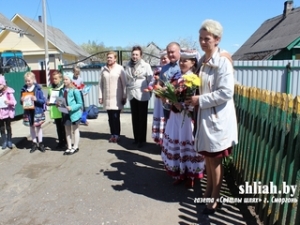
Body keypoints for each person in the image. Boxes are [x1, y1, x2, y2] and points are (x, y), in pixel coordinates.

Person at [187, 19, 238, 214]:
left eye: (206, 39)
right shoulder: (203, 61)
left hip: (217, 119)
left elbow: (226, 92)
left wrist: (200, 100)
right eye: (200, 38)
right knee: (208, 159)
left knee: (215, 160)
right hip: (204, 117)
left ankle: (215, 199)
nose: (202, 42)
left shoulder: (222, 61)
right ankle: (208, 192)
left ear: (217, 39)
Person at [161, 50, 205, 188]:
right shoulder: (177, 77)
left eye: (185, 61)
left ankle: (191, 175)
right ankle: (180, 173)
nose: (181, 63)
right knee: (178, 144)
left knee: (188, 145)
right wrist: (168, 99)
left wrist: (186, 106)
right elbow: (170, 94)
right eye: (181, 60)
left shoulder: (197, 80)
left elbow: (198, 100)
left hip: (187, 119)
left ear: (193, 62)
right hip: (175, 117)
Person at [125, 45, 153, 148]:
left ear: (141, 55)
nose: (134, 56)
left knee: (142, 117)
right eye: (133, 54)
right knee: (135, 117)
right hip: (132, 93)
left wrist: (149, 90)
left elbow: (150, 79)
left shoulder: (146, 65)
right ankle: (136, 138)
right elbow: (127, 79)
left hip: (142, 94)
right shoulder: (128, 65)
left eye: (137, 54)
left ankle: (142, 140)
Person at [99, 51, 127, 143]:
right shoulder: (103, 69)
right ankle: (112, 134)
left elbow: (124, 83)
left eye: (111, 57)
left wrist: (124, 95)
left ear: (115, 59)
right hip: (107, 97)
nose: (109, 59)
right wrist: (100, 96)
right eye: (108, 57)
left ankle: (117, 135)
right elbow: (100, 84)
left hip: (117, 97)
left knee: (116, 117)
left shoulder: (120, 68)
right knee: (110, 118)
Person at [21, 72, 46, 153]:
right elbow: (21, 102)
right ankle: (34, 143)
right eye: (26, 81)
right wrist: (21, 100)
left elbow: (43, 101)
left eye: (29, 80)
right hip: (28, 111)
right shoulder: (23, 90)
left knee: (38, 127)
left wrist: (36, 99)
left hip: (37, 111)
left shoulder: (38, 89)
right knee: (31, 127)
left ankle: (41, 143)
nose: (28, 82)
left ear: (33, 80)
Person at [58, 72, 83, 155]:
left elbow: (80, 103)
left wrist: (72, 107)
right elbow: (60, 100)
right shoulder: (62, 90)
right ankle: (69, 147)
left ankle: (75, 146)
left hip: (74, 114)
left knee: (75, 129)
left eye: (66, 79)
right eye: (64, 79)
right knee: (67, 130)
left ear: (70, 80)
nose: (64, 81)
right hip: (65, 113)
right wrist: (58, 104)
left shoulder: (75, 90)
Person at [150, 50, 170, 145]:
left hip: (168, 98)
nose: (163, 60)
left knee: (167, 119)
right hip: (159, 100)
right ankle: (160, 140)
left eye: (165, 58)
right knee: (160, 116)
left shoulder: (172, 69)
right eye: (162, 58)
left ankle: (167, 141)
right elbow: (151, 84)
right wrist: (155, 83)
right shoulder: (157, 70)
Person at [159, 42, 181, 121]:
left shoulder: (183, 65)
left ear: (179, 51)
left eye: (172, 52)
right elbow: (160, 84)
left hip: (179, 104)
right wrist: (161, 94)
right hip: (167, 104)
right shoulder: (164, 68)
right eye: (168, 52)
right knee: (168, 128)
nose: (170, 54)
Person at [47, 70, 66, 149]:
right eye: (53, 79)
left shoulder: (63, 87)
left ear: (60, 78)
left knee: (64, 127)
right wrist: (48, 101)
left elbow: (66, 98)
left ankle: (65, 142)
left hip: (62, 109)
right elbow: (48, 97)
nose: (54, 80)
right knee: (58, 127)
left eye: (56, 79)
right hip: (55, 111)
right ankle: (60, 142)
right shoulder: (50, 88)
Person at [0, 76, 16, 149]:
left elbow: (14, 102)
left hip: (7, 113)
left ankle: (9, 140)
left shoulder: (9, 92)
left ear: (3, 84)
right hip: (0, 114)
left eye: (0, 84)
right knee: (1, 128)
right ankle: (4, 141)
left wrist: (8, 102)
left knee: (8, 127)